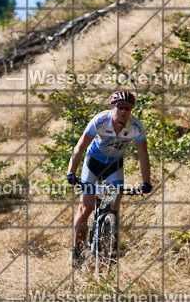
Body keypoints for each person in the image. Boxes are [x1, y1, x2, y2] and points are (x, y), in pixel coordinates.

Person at [66, 90, 153, 264]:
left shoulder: (136, 126)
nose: (124, 111)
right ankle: (75, 251)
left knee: (114, 205)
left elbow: (143, 155)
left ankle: (110, 246)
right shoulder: (100, 120)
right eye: (120, 107)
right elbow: (80, 147)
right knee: (86, 208)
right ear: (113, 107)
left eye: (128, 108)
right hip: (93, 163)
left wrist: (146, 182)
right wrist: (71, 173)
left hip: (114, 165)